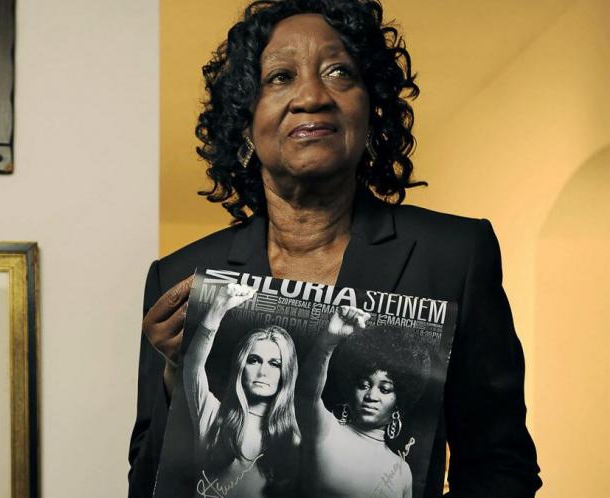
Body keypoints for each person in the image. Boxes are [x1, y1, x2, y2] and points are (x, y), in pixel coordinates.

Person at [129, 1, 540, 497]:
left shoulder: (454, 256)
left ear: (370, 110)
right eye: (280, 77)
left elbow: (500, 465)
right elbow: (148, 482)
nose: (311, 95)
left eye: (339, 72)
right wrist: (176, 369)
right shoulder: (183, 275)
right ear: (244, 121)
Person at [301, 306, 430, 497]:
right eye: (363, 385)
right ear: (351, 387)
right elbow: (306, 392)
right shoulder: (326, 430)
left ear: (399, 398)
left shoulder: (402, 472)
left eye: (385, 389)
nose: (371, 395)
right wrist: (328, 342)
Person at [184, 283, 299, 497]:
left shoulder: (293, 438)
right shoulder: (212, 414)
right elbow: (193, 364)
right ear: (241, 365)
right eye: (254, 360)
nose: (263, 372)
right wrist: (218, 307)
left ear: (287, 372)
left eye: (275, 363)